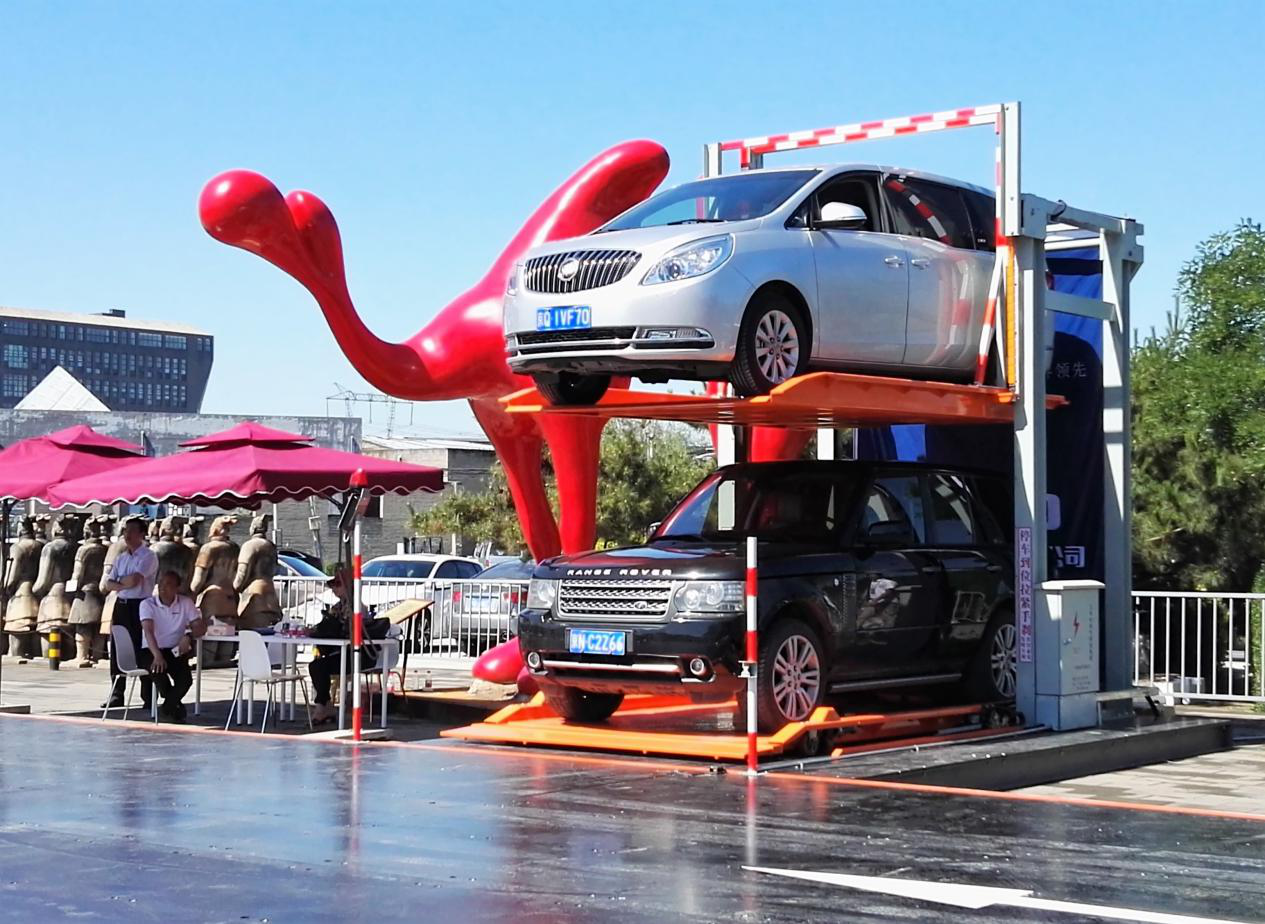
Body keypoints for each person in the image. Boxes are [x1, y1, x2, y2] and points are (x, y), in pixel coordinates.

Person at [308, 568, 378, 724]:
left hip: (358, 655)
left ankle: (322, 707)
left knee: (319, 667)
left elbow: (346, 631)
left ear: (350, 586)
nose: (334, 588)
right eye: (332, 584)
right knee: (317, 666)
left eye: (338, 584)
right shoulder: (338, 606)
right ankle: (324, 705)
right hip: (341, 653)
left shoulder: (357, 608)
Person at [101, 517, 158, 709]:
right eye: (126, 531)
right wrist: (121, 584)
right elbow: (108, 584)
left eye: (132, 531)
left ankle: (148, 695)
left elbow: (135, 580)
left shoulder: (148, 556)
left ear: (141, 534)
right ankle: (117, 693)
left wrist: (120, 583)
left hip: (140, 604)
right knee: (118, 646)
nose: (127, 535)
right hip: (122, 604)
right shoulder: (121, 558)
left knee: (143, 646)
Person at [139, 571, 207, 722]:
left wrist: (189, 636)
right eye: (161, 584)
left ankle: (167, 707)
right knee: (159, 675)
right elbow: (148, 631)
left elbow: (200, 627)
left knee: (185, 680)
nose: (163, 587)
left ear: (177, 587)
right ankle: (175, 707)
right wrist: (157, 655)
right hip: (151, 649)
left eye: (168, 584)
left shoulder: (185, 603)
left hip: (175, 649)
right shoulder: (147, 604)